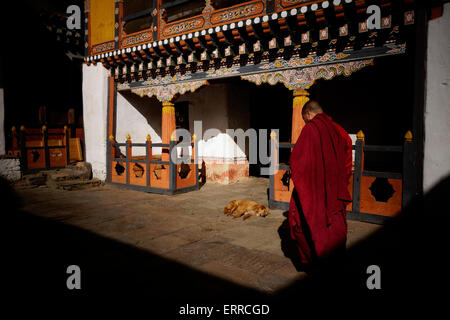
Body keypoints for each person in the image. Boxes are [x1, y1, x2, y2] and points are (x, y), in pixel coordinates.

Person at [288, 100, 353, 267]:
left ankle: (314, 262)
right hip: (335, 190)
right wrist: (339, 184)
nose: (306, 123)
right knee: (335, 225)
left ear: (308, 114)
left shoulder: (311, 128)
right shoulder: (340, 131)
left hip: (314, 190)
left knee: (304, 222)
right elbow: (347, 163)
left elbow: (297, 161)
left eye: (305, 119)